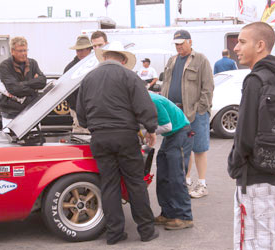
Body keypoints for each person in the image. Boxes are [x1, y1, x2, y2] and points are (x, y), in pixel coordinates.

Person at [76, 41, 159, 245]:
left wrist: (93, 124)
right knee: (135, 183)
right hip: (125, 136)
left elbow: (81, 115)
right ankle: (146, 231)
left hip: (100, 138)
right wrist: (151, 129)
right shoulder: (129, 76)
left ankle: (114, 234)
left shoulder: (88, 79)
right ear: (123, 60)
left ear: (104, 57)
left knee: (109, 184)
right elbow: (144, 106)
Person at [228, 21, 275, 250]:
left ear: (260, 45)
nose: (236, 48)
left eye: (242, 42)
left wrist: (235, 165)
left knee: (254, 241)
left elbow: (245, 135)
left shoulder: (255, 80)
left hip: (254, 177)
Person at [161, 29, 214, 199]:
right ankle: (187, 181)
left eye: (182, 43)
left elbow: (208, 87)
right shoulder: (172, 60)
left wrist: (200, 108)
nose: (179, 47)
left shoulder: (200, 59)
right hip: (177, 112)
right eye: (176, 44)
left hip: (195, 112)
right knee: (184, 149)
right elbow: (166, 84)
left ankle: (202, 184)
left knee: (199, 148)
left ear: (190, 42)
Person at [149, 92, 194, 230]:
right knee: (163, 175)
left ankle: (184, 217)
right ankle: (168, 213)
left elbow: (167, 126)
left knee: (176, 176)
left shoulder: (153, 101)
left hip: (180, 133)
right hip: (171, 136)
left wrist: (147, 132)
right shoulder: (143, 99)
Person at [0, 36, 46, 129]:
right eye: (20, 51)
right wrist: (33, 88)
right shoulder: (4, 66)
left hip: (31, 111)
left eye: (25, 50)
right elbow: (14, 89)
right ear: (12, 51)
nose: (24, 53)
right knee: (12, 143)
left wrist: (23, 84)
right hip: (11, 114)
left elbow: (43, 81)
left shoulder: (33, 63)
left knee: (35, 141)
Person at [63, 35, 93, 133]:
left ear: (89, 50)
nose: (81, 53)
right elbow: (66, 92)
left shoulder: (96, 65)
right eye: (78, 50)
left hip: (94, 110)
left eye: (83, 50)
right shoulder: (70, 68)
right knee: (79, 134)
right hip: (77, 110)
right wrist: (76, 108)